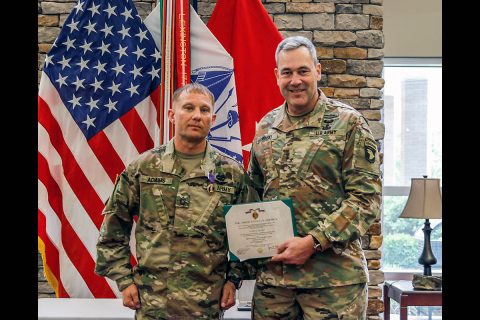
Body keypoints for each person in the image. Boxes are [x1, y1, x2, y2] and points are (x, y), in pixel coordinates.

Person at [95, 83, 258, 320]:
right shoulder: (144, 168)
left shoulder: (231, 174)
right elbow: (112, 231)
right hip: (152, 302)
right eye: (188, 108)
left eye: (204, 110)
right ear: (172, 115)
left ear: (212, 119)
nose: (196, 116)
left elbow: (245, 237)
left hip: (207, 304)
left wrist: (233, 280)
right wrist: (124, 280)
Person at [248, 36, 382, 319]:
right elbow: (254, 196)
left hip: (334, 283)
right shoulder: (266, 127)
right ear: (276, 76)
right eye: (287, 72)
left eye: (303, 71)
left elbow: (366, 200)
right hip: (275, 285)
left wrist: (314, 240)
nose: (295, 80)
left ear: (317, 71)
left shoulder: (349, 124)